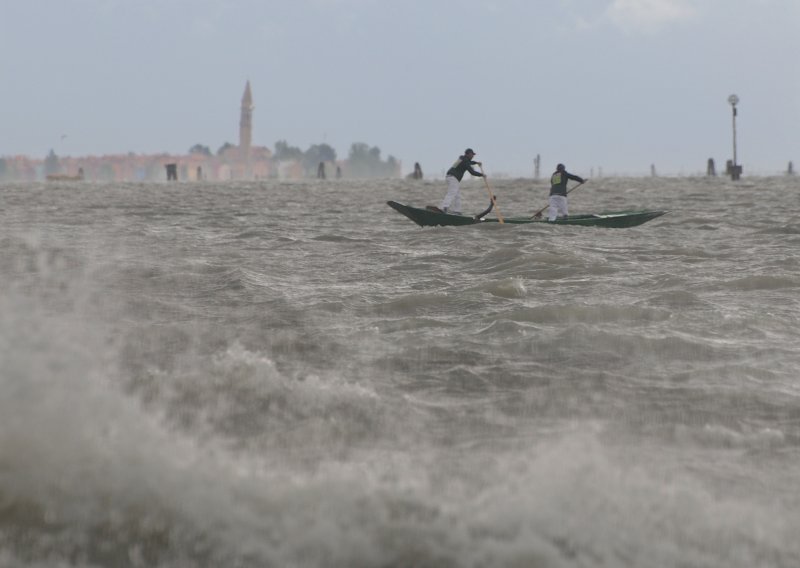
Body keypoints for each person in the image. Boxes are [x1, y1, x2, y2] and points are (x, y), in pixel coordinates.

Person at [439, 148, 484, 214]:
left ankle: (457, 211)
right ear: (468, 154)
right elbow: (472, 172)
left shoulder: (462, 159)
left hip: (451, 177)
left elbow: (469, 162)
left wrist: (476, 163)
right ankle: (444, 207)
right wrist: (482, 175)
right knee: (452, 192)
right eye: (472, 154)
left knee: (457, 195)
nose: (473, 156)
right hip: (453, 177)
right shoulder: (465, 161)